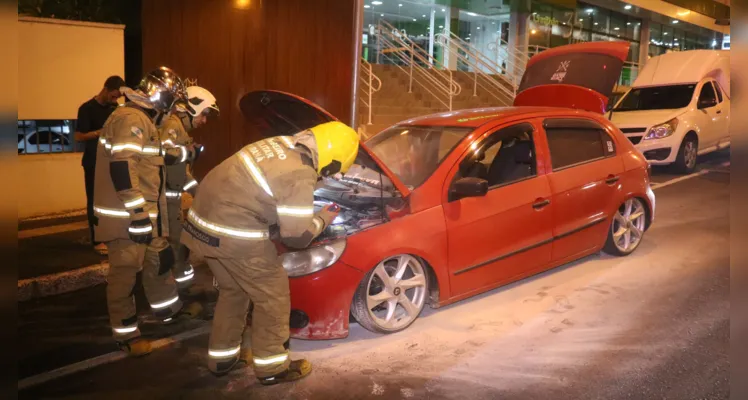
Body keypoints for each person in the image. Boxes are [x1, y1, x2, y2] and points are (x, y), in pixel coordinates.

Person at [180, 121, 359, 385]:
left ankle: (222, 359)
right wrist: (323, 219)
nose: (334, 177)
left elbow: (263, 189)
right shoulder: (299, 174)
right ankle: (272, 367)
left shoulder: (282, 143)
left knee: (234, 291)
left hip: (201, 224)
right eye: (337, 172)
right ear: (332, 161)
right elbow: (296, 237)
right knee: (272, 295)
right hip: (235, 235)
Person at [93, 67, 204, 356]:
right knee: (125, 274)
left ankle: (168, 310)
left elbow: (151, 158)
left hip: (147, 213)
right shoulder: (132, 119)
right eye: (173, 98)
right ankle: (126, 334)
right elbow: (123, 166)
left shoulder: (145, 119)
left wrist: (181, 155)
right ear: (161, 95)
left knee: (159, 260)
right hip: (127, 216)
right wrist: (139, 215)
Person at [159, 85, 219, 291]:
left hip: (171, 195)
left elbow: (180, 171)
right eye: (204, 114)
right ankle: (179, 289)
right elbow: (166, 156)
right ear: (192, 108)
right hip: (166, 198)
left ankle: (181, 284)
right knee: (176, 242)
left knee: (179, 241)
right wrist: (190, 153)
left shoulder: (179, 128)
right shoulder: (173, 126)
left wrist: (198, 191)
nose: (204, 121)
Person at [74, 75, 126, 255]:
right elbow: (79, 136)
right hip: (93, 162)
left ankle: (111, 234)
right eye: (114, 95)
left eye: (118, 97)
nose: (115, 100)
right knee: (94, 202)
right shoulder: (87, 109)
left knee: (111, 201)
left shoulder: (115, 109)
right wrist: (100, 133)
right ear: (106, 89)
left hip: (112, 161)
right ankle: (96, 240)